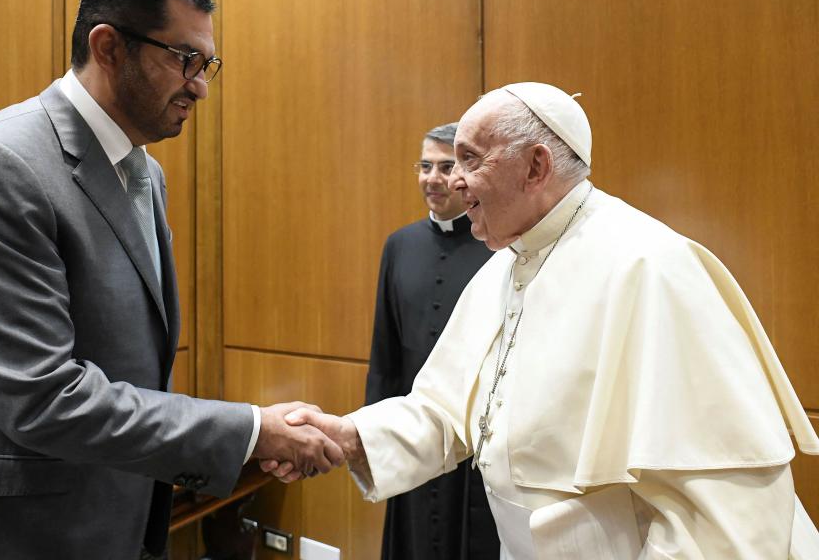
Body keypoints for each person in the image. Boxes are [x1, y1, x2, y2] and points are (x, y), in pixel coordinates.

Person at [0, 0, 342, 560]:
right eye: (184, 59)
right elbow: (41, 395)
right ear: (110, 46)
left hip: (94, 522)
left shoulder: (145, 174)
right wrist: (247, 432)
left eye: (207, 63)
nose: (200, 85)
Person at [273, 82, 819, 559]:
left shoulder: (649, 266)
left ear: (536, 166)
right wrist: (351, 437)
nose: (453, 181)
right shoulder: (505, 266)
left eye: (469, 159)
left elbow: (722, 510)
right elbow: (447, 411)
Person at [365, 122, 497, 560]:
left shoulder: (498, 249)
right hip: (412, 434)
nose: (432, 179)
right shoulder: (398, 246)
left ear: (466, 175)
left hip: (471, 448)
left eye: (445, 167)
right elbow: (384, 355)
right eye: (424, 167)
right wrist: (374, 435)